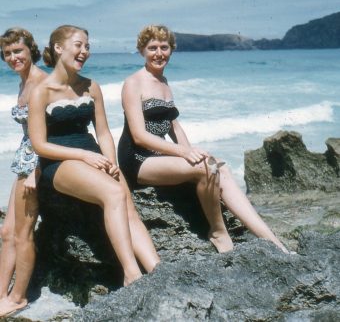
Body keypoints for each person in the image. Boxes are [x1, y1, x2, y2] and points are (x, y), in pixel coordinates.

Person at [118, 24, 289, 254]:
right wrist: (184, 154)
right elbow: (139, 136)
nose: (159, 53)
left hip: (160, 155)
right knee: (205, 169)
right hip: (137, 159)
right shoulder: (133, 83)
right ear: (142, 51)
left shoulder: (164, 82)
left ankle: (274, 242)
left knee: (218, 167)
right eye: (152, 48)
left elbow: (173, 125)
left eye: (164, 47)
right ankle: (218, 232)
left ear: (172, 50)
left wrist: (191, 151)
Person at [28, 25, 159, 290]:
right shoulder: (41, 91)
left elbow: (103, 132)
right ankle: (131, 273)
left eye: (87, 46)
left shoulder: (91, 86)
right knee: (112, 194)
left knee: (126, 202)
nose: (84, 51)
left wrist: (111, 162)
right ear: (58, 47)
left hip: (95, 156)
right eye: (78, 45)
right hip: (60, 161)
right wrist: (84, 156)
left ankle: (158, 270)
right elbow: (39, 145)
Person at [0, 28, 47, 317]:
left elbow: (51, 134)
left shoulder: (42, 82)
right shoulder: (23, 82)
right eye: (7, 54)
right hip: (23, 161)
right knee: (7, 232)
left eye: (18, 51)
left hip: (36, 166)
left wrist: (36, 172)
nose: (13, 57)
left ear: (31, 49)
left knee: (23, 233)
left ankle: (18, 297)